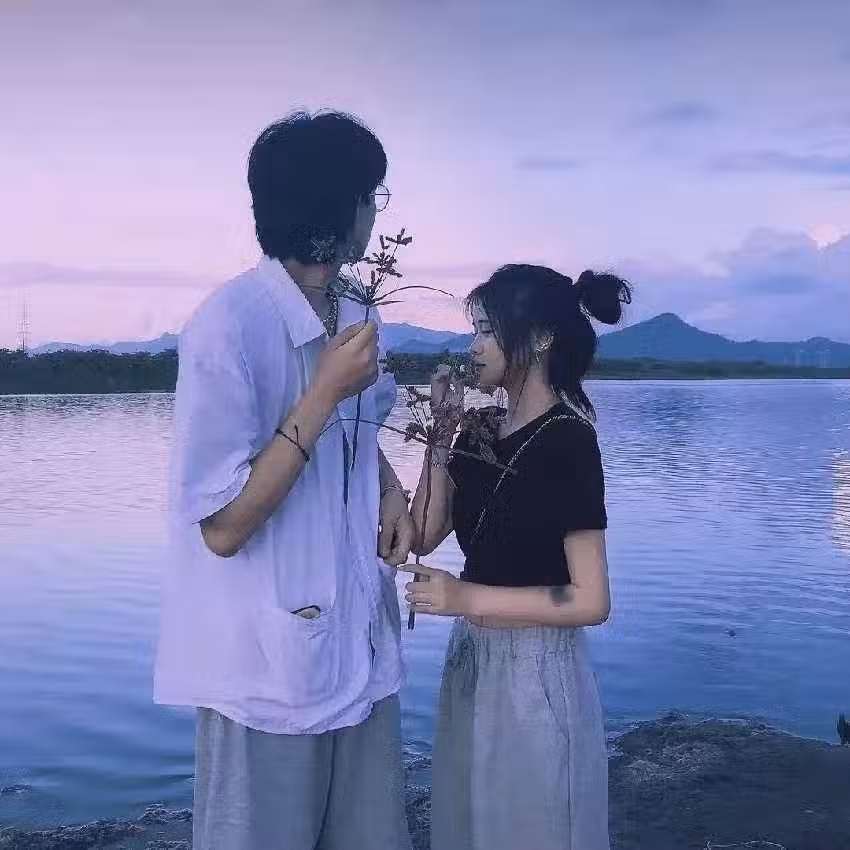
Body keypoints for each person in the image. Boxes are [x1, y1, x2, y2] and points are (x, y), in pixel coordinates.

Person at [154, 110, 415, 850]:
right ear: (333, 206)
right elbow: (223, 527)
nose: (375, 212)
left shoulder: (356, 309)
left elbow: (359, 434)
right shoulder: (228, 326)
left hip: (359, 646)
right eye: (370, 194)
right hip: (263, 673)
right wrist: (323, 391)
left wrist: (390, 489)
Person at [400, 264, 631, 850]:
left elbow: (592, 599)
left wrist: (465, 597)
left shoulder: (569, 439)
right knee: (470, 823)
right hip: (473, 656)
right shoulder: (478, 428)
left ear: (540, 338)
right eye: (473, 332)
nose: (472, 347)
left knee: (533, 827)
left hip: (536, 668)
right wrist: (440, 432)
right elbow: (423, 533)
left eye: (486, 331)